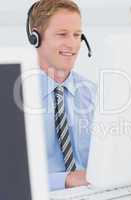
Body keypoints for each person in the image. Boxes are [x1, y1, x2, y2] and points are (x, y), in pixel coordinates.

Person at [27, 0, 96, 191]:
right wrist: (65, 180)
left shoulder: (93, 93)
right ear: (36, 37)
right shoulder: (15, 96)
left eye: (77, 35)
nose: (72, 44)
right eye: (62, 34)